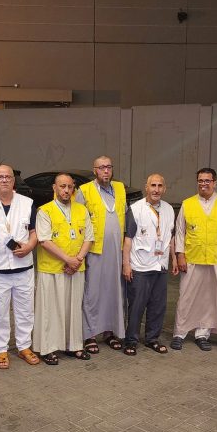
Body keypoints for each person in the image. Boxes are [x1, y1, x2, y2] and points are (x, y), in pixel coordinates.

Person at [0, 165, 39, 369]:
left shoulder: (27, 203)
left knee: (25, 310)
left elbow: (34, 232)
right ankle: (1, 350)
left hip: (24, 267)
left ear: (14, 180)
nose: (4, 180)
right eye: (0, 177)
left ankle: (24, 346)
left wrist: (29, 246)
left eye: (8, 177)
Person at [171, 168, 217, 351]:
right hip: (193, 257)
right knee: (186, 297)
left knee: (209, 300)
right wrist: (180, 255)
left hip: (216, 258)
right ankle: (179, 333)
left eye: (207, 180)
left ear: (214, 183)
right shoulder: (188, 204)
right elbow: (180, 231)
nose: (203, 184)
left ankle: (202, 334)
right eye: (200, 180)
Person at [33, 173, 94, 364]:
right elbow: (44, 240)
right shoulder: (45, 211)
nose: (66, 190)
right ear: (54, 188)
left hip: (76, 268)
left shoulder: (82, 210)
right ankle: (47, 349)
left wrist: (78, 260)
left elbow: (89, 238)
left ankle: (73, 345)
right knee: (50, 310)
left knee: (73, 309)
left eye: (69, 187)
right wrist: (68, 259)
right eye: (62, 186)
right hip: (52, 269)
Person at [121, 174, 177, 356]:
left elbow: (171, 237)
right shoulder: (135, 209)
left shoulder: (169, 209)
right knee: (136, 306)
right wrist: (126, 264)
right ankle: (131, 341)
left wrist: (174, 259)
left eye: (160, 186)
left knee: (158, 306)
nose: (156, 189)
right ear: (146, 187)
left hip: (160, 265)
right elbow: (128, 239)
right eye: (153, 185)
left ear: (164, 188)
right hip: (140, 266)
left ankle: (152, 339)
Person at [76, 155, 127, 353]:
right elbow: (78, 221)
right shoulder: (84, 190)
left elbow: (124, 215)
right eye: (101, 167)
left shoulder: (120, 188)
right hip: (95, 251)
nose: (106, 170)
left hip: (116, 250)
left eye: (109, 167)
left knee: (114, 291)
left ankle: (110, 331)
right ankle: (89, 334)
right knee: (93, 292)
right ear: (94, 170)